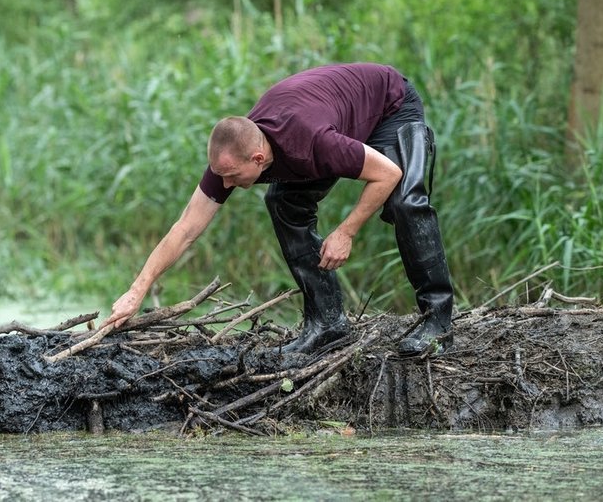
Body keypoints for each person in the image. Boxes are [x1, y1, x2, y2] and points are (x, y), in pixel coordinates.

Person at [101, 63, 454, 356]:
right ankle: (328, 325)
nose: (224, 185)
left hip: (390, 106)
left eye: (232, 177)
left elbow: (387, 173)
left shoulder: (314, 143)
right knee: (283, 201)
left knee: (406, 201)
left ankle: (438, 322)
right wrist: (137, 289)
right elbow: (186, 229)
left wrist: (345, 232)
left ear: (257, 159)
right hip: (334, 118)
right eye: (220, 176)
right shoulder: (232, 156)